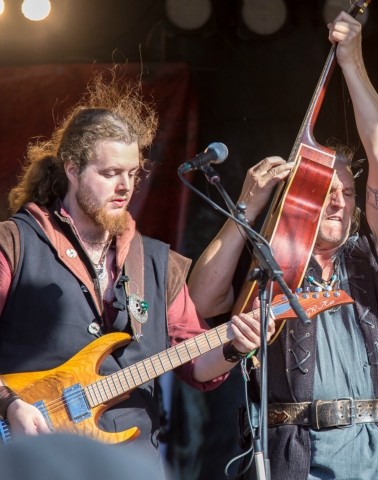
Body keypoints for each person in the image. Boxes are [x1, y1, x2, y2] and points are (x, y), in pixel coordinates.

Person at [187, 12, 378, 480]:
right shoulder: (270, 263)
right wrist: (245, 209)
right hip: (293, 463)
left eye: (348, 193)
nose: (339, 203)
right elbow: (200, 299)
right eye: (325, 193)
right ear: (299, 198)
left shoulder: (375, 258)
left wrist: (353, 64)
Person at [0, 72, 274, 474]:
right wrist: (10, 404)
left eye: (132, 173)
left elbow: (196, 364)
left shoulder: (156, 262)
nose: (125, 186)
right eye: (110, 173)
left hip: (132, 461)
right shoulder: (15, 242)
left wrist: (236, 346)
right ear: (72, 170)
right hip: (38, 459)